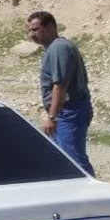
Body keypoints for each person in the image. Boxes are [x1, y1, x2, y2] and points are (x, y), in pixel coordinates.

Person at [28, 10, 95, 176]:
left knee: (74, 161)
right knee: (61, 159)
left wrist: (52, 117)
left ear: (50, 27)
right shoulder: (55, 48)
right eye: (29, 30)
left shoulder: (59, 48)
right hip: (65, 112)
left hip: (69, 111)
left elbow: (60, 85)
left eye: (36, 30)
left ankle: (92, 197)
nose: (32, 34)